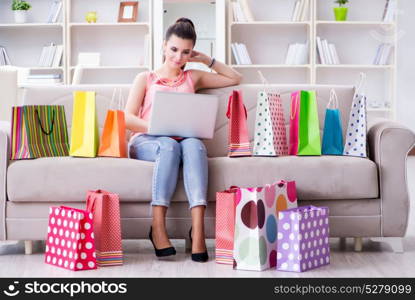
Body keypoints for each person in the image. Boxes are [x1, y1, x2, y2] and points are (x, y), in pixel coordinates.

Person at [125, 18, 242, 262]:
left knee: (194, 144)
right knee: (168, 145)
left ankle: (198, 231)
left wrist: (204, 59)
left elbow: (234, 78)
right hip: (147, 141)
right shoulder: (145, 78)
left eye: (186, 52)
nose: (178, 57)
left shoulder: (193, 77)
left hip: (181, 143)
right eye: (174, 49)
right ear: (164, 46)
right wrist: (157, 126)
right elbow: (127, 118)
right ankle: (157, 228)